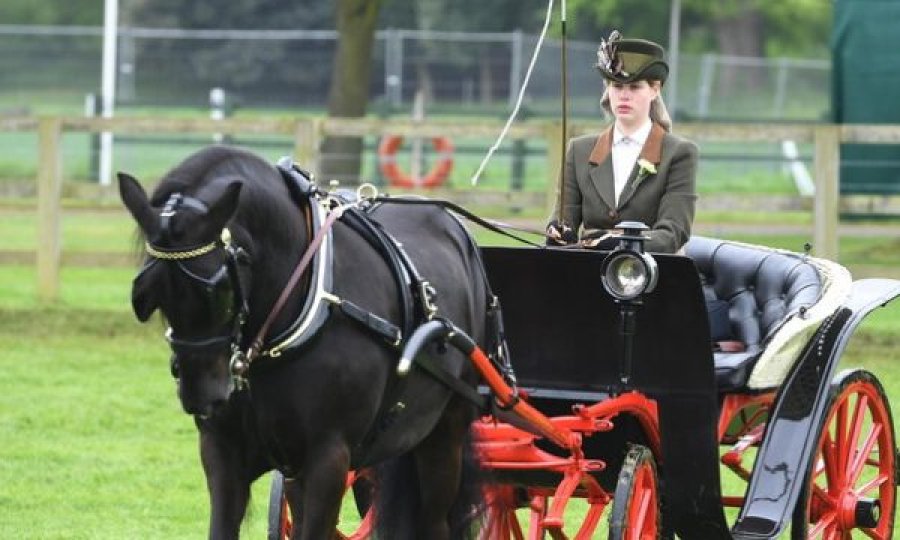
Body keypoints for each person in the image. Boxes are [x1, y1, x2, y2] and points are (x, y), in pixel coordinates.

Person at [546, 30, 698, 254]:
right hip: (587, 273)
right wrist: (558, 231)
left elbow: (672, 234)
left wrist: (617, 242)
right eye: (617, 86)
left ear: (655, 90)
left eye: (635, 87)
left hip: (652, 276)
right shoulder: (579, 151)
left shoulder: (679, 153)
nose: (624, 96)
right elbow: (564, 217)